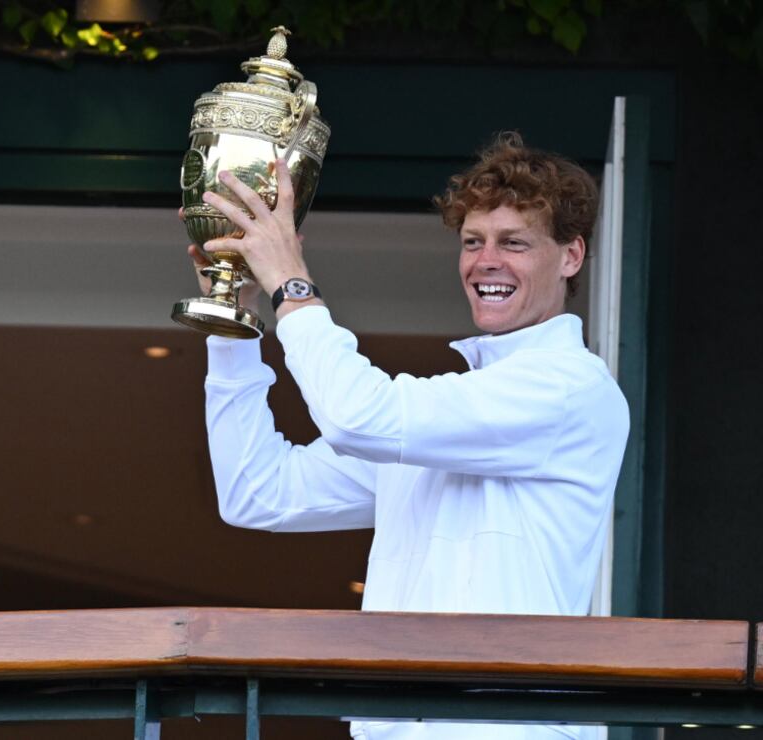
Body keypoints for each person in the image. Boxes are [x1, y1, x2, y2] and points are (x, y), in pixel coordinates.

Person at [189, 132, 630, 740]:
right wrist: (233, 327)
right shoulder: (445, 416)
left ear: (572, 256)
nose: (486, 261)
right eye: (473, 242)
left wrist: (293, 286)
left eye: (515, 243)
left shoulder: (569, 386)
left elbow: (356, 415)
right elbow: (258, 492)